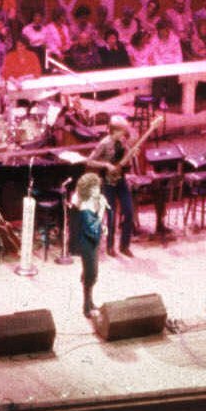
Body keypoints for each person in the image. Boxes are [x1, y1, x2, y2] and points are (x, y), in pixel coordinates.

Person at [83, 117, 143, 256]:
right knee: (111, 215)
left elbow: (126, 156)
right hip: (108, 182)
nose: (125, 133)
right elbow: (89, 161)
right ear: (115, 130)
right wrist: (105, 164)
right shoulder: (104, 143)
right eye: (123, 130)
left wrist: (133, 153)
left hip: (121, 179)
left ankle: (124, 245)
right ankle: (110, 246)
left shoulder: (122, 142)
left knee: (128, 212)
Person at [69, 171, 106, 319]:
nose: (99, 189)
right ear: (89, 189)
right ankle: (86, 306)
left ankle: (90, 302)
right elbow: (91, 227)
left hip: (92, 240)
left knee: (92, 273)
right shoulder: (82, 204)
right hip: (86, 242)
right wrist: (101, 208)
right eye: (96, 187)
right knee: (91, 273)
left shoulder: (91, 200)